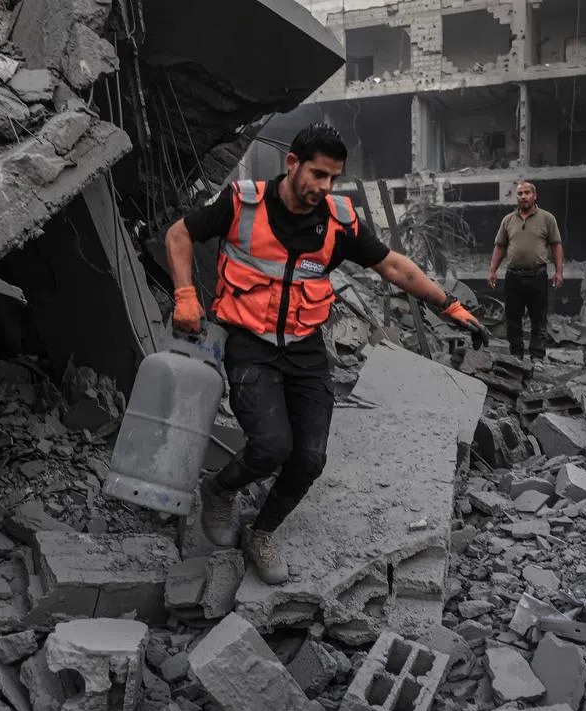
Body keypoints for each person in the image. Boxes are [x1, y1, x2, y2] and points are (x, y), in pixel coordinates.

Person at [163, 123, 489, 585]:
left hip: (305, 350)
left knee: (309, 459)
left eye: (333, 178)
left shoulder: (338, 221)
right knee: (272, 445)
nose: (323, 187)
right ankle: (219, 490)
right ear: (292, 164)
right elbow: (178, 234)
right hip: (250, 346)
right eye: (317, 174)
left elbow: (392, 265)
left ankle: (262, 530)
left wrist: (449, 305)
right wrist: (184, 295)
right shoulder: (242, 202)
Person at [487, 181, 564, 361]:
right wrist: (492, 270)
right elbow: (500, 247)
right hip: (513, 277)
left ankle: (537, 358)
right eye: (520, 193)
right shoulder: (508, 220)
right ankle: (516, 356)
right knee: (513, 320)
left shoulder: (547, 218)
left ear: (534, 196)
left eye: (527, 193)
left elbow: (556, 246)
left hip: (537, 276)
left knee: (538, 319)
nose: (523, 196)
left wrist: (559, 272)